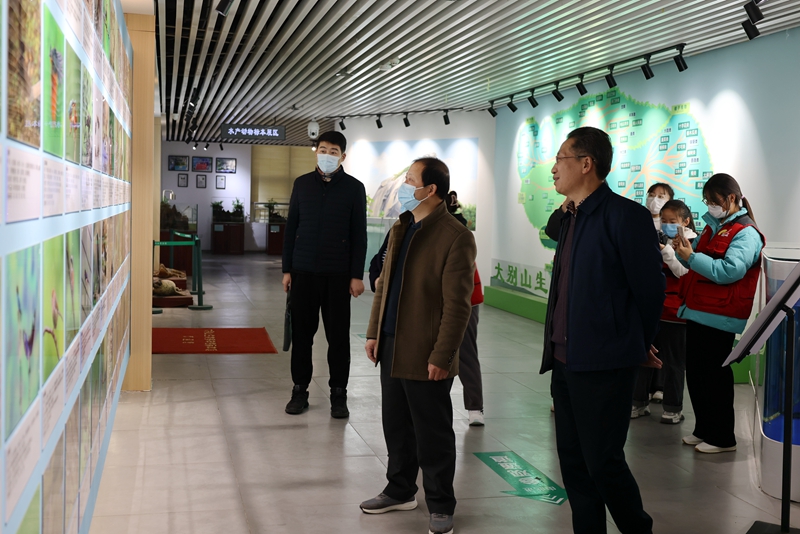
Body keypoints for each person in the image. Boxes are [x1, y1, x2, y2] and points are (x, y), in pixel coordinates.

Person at [541, 126, 665, 534]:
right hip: (564, 360)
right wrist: (569, 203)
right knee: (574, 465)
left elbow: (650, 290)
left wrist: (637, 342)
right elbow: (551, 227)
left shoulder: (625, 216)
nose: (554, 168)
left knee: (604, 463)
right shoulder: (570, 218)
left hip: (604, 363)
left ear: (586, 164)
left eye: (560, 159)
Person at [360, 157, 476, 534]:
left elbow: (457, 306)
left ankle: (441, 504)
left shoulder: (456, 235)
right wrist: (374, 332)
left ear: (431, 190)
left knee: (432, 431)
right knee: (396, 425)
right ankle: (400, 489)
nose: (403, 187)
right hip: (392, 342)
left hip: (427, 351)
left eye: (410, 180)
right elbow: (384, 286)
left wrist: (442, 355)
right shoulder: (402, 226)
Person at [674, 173, 765, 453]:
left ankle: (723, 438)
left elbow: (730, 271)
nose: (710, 206)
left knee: (715, 378)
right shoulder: (713, 227)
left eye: (714, 201)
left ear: (731, 198)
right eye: (707, 201)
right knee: (697, 375)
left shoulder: (746, 233)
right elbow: (695, 262)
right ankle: (704, 429)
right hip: (698, 309)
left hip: (720, 314)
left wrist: (692, 257)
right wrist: (682, 252)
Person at [281, 131, 367, 418]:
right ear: (316, 151)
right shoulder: (302, 184)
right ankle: (299, 391)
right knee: (302, 337)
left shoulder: (354, 188)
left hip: (338, 275)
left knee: (338, 339)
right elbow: (291, 228)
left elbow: (359, 235)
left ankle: (338, 394)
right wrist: (287, 269)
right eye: (323, 149)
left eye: (333, 152)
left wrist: (356, 275)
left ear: (343, 157)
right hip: (303, 272)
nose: (327, 155)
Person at [632, 200, 697, 424]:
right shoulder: (658, 239)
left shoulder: (691, 243)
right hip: (653, 309)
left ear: (685, 221)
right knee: (643, 357)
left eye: (672, 221)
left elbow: (684, 273)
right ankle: (638, 402)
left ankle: (672, 408)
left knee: (674, 362)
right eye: (664, 220)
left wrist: (667, 251)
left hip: (676, 313)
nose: (667, 225)